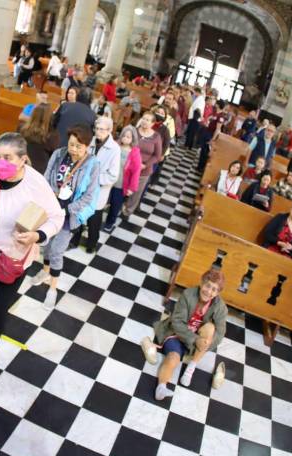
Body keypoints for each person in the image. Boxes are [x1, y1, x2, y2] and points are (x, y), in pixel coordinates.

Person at [0, 133, 64, 378]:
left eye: (7, 158)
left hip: (11, 256)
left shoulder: (35, 183)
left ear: (23, 160)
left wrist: (38, 236)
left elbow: (57, 216)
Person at [29, 126, 99, 308]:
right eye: (71, 145)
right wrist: (50, 199)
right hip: (52, 208)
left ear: (87, 146)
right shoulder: (59, 154)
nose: (74, 149)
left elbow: (89, 196)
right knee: (46, 244)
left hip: (69, 214)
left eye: (79, 146)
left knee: (57, 251)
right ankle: (45, 271)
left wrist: (67, 210)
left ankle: (53, 289)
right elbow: (46, 178)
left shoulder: (92, 164)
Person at [141, 269, 228, 401]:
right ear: (202, 283)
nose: (209, 291)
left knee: (210, 328)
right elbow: (177, 322)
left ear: (218, 293)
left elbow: (220, 333)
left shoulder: (221, 307)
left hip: (198, 342)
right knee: (172, 358)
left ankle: (190, 369)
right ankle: (161, 388)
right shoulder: (188, 294)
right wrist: (195, 340)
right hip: (178, 334)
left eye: (214, 289)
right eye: (207, 286)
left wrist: (205, 344)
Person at [85, 116, 120, 252]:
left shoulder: (114, 149)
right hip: (84, 186)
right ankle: (74, 241)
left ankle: (91, 244)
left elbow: (113, 176)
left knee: (94, 219)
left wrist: (94, 179)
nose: (97, 132)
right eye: (96, 128)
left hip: (99, 189)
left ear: (109, 130)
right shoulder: (91, 141)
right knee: (79, 215)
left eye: (101, 129)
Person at [123, 112, 162, 218]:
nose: (144, 121)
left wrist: (145, 165)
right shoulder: (134, 131)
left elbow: (157, 155)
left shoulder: (156, 136)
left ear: (153, 123)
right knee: (122, 187)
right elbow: (124, 143)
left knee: (135, 193)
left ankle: (128, 211)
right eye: (143, 118)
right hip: (127, 166)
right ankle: (116, 205)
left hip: (143, 169)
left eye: (148, 120)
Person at [103, 125, 142, 233]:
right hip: (108, 181)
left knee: (115, 205)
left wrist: (131, 188)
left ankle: (109, 222)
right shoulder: (115, 146)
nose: (125, 138)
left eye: (128, 137)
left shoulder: (134, 153)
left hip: (120, 184)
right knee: (102, 202)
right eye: (124, 136)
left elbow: (136, 172)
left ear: (133, 139)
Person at [20, 102, 55, 172]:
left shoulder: (22, 129)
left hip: (21, 165)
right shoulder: (52, 136)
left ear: (33, 114)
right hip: (38, 172)